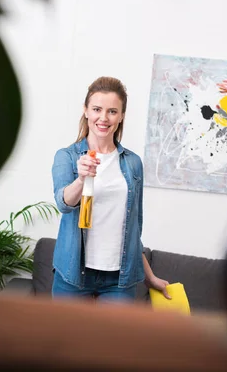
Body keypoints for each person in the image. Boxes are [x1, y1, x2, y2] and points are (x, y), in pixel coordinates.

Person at [51, 76, 171, 303]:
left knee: (115, 340)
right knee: (65, 339)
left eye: (112, 111)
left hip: (119, 279)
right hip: (73, 274)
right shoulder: (66, 157)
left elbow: (133, 228)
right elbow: (63, 203)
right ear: (86, 111)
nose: (103, 118)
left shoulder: (132, 163)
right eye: (97, 109)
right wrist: (81, 179)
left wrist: (150, 277)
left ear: (122, 115)